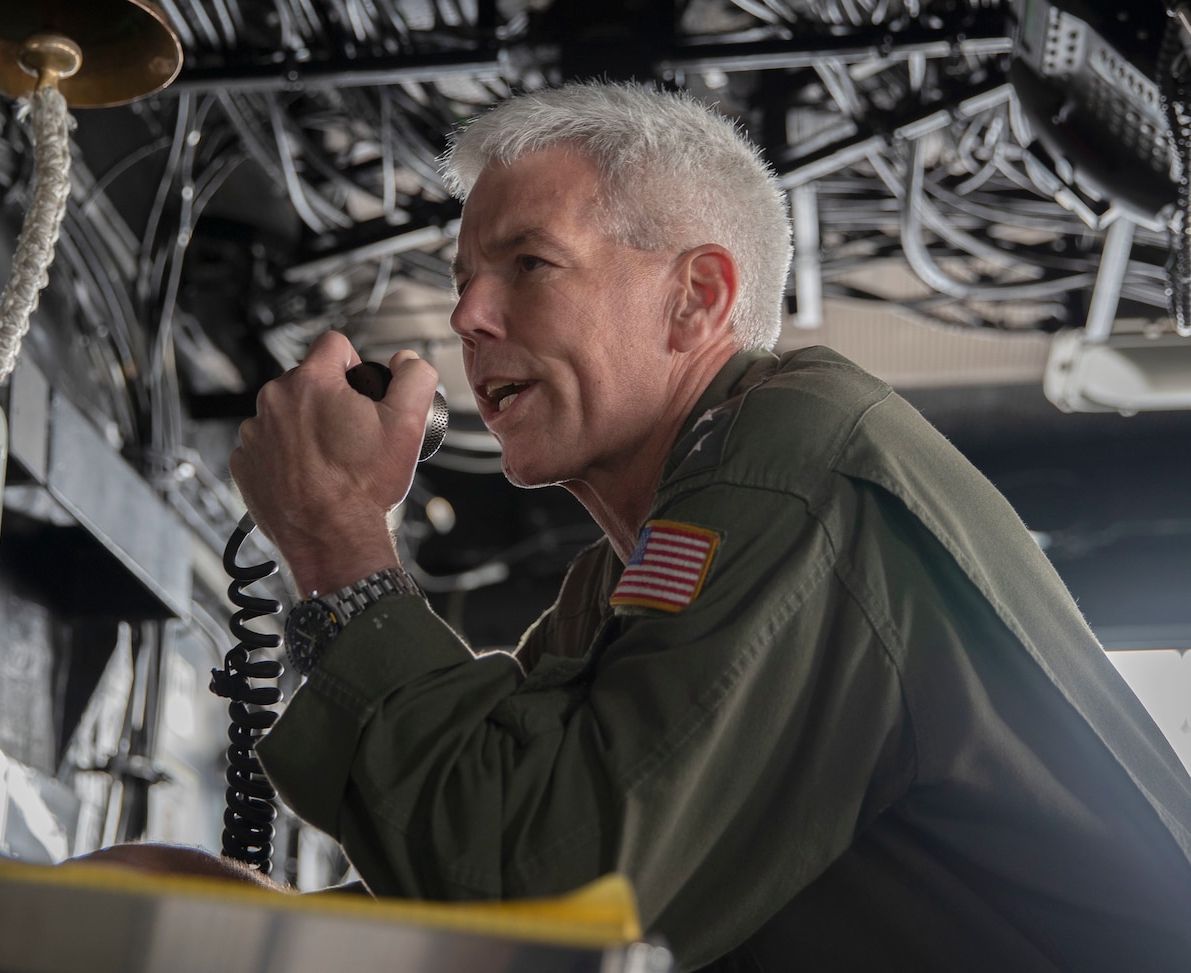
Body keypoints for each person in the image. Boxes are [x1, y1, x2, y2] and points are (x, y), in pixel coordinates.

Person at [228, 83, 1191, 971]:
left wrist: (337, 536)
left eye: (528, 262)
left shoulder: (794, 469)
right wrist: (239, 913)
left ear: (698, 299)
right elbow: (481, 855)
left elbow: (543, 888)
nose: (468, 313)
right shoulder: (607, 588)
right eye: (465, 277)